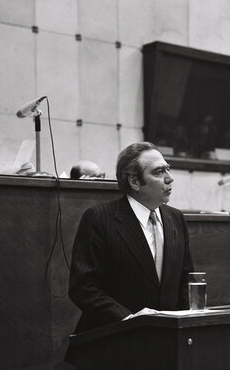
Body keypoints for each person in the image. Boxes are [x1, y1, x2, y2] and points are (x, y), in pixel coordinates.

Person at [69, 141, 194, 334]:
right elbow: (83, 287)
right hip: (115, 339)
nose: (170, 179)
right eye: (159, 172)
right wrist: (128, 319)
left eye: (167, 170)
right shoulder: (100, 218)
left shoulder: (175, 218)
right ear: (134, 182)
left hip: (168, 340)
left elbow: (185, 280)